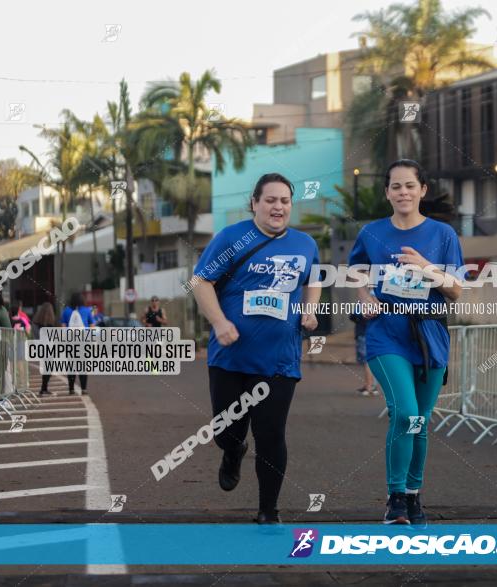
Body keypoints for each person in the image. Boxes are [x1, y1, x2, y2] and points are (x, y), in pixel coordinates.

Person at [191, 172, 321, 524]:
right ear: (254, 203)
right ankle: (233, 451)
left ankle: (268, 511)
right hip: (230, 357)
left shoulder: (305, 244)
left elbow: (313, 281)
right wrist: (219, 323)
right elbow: (201, 281)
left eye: (284, 201)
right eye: (270, 200)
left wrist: (310, 311)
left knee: (271, 434)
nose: (278, 207)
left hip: (279, 359)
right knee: (226, 431)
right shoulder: (231, 239)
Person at [347, 159, 465, 526]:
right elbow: (353, 273)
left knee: (421, 421)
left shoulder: (443, 235)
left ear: (422, 190)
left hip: (430, 335)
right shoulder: (371, 233)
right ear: (387, 193)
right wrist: (365, 297)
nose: (403, 192)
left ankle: (413, 496)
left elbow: (457, 291)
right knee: (406, 413)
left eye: (410, 186)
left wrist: (426, 267)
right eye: (396, 186)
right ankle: (395, 496)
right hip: (387, 333)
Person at [60, 292, 95, 395]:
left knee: (71, 365)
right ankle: (84, 389)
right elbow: (92, 326)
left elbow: (63, 327)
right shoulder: (87, 310)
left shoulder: (66, 311)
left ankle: (71, 389)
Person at [349, 311, 378, 396]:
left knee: (367, 361)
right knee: (372, 360)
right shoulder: (379, 301)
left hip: (364, 333)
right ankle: (371, 386)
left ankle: (369, 386)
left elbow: (354, 316)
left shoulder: (364, 301)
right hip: (374, 334)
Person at [32, 302, 58, 396]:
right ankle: (44, 388)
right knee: (48, 369)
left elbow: (35, 335)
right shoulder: (51, 324)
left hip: (40, 346)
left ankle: (43, 389)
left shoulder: (36, 322)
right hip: (49, 347)